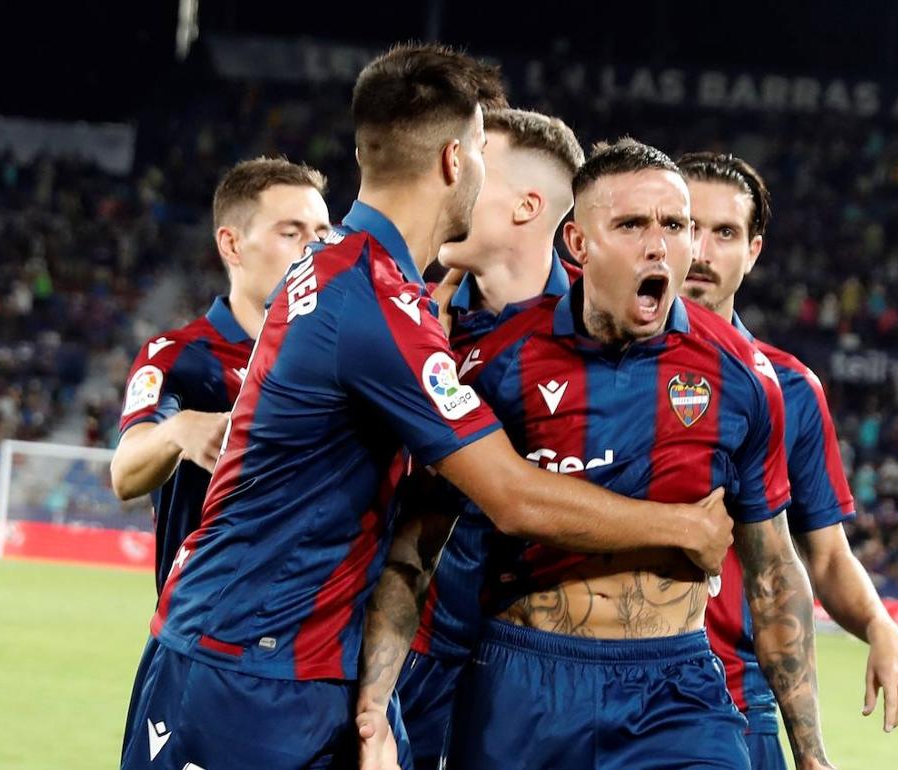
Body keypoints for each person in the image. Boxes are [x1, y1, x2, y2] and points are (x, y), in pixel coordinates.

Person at [119, 44, 731, 770]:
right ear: (453, 160)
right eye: (479, 148)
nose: (480, 167)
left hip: (284, 656)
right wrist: (682, 526)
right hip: (245, 668)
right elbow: (508, 495)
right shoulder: (374, 305)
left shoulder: (349, 271)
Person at [370, 138, 815, 770]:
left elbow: (773, 569)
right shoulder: (496, 362)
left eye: (675, 226)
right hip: (522, 685)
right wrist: (373, 708)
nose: (658, 245)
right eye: (631, 224)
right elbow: (415, 549)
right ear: (578, 244)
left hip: (675, 687)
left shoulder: (744, 376)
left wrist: (814, 753)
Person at [678, 152, 898, 764]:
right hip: (597, 690)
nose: (701, 253)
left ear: (754, 250)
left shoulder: (790, 389)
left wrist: (881, 626)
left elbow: (824, 556)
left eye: (725, 233)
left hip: (735, 705)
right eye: (687, 226)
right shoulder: (594, 363)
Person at [395, 107, 585, 770]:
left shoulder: (603, 341)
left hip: (543, 679)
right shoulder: (405, 320)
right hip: (413, 658)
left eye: (471, 166)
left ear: (528, 207)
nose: (447, 181)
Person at [110, 156, 330, 594]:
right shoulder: (181, 357)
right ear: (231, 245)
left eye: (322, 235)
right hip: (205, 636)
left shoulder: (340, 358)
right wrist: (177, 431)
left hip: (313, 641)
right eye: (291, 233)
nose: (314, 249)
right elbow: (125, 473)